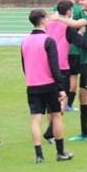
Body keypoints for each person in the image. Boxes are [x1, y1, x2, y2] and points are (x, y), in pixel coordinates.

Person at [41, 0, 87, 144]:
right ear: (69, 11)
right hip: (72, 64)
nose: (80, 3)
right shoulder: (68, 26)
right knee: (79, 97)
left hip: (82, 63)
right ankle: (84, 133)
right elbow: (82, 42)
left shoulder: (49, 24)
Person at [22, 9, 73, 163]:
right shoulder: (48, 41)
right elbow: (54, 67)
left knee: (35, 119)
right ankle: (60, 152)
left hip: (32, 85)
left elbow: (24, 66)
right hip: (49, 85)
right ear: (43, 20)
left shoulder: (25, 41)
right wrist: (60, 88)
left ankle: (39, 155)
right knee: (56, 116)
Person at [61, 0, 83, 111]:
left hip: (61, 48)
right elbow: (82, 26)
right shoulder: (79, 9)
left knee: (62, 75)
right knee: (74, 76)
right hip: (74, 48)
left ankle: (60, 102)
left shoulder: (58, 7)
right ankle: (68, 104)